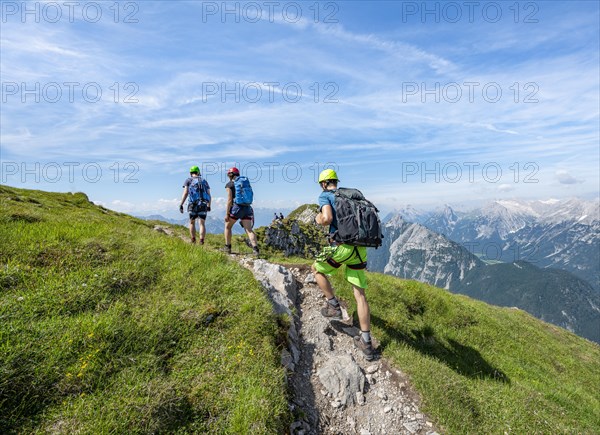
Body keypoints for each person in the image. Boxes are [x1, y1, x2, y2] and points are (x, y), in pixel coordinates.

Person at [311, 169, 374, 360]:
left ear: (323, 183)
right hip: (359, 248)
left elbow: (327, 218)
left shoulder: (325, 196)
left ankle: (333, 306)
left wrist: (318, 218)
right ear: (335, 182)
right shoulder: (350, 196)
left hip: (340, 247)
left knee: (316, 269)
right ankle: (366, 342)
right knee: (360, 295)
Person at [223, 167, 259, 257]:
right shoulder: (244, 182)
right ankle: (256, 250)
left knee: (228, 226)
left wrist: (227, 213)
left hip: (237, 208)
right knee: (249, 230)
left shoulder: (230, 185)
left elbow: (229, 200)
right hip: (247, 208)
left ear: (230, 175)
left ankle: (227, 247)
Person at [179, 165, 211, 244]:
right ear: (198, 172)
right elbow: (209, 194)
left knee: (192, 222)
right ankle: (201, 241)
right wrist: (209, 205)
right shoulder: (204, 181)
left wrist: (181, 204)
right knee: (202, 223)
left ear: (190, 173)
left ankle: (193, 240)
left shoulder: (188, 180)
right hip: (203, 204)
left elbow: (186, 193)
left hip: (192, 204)